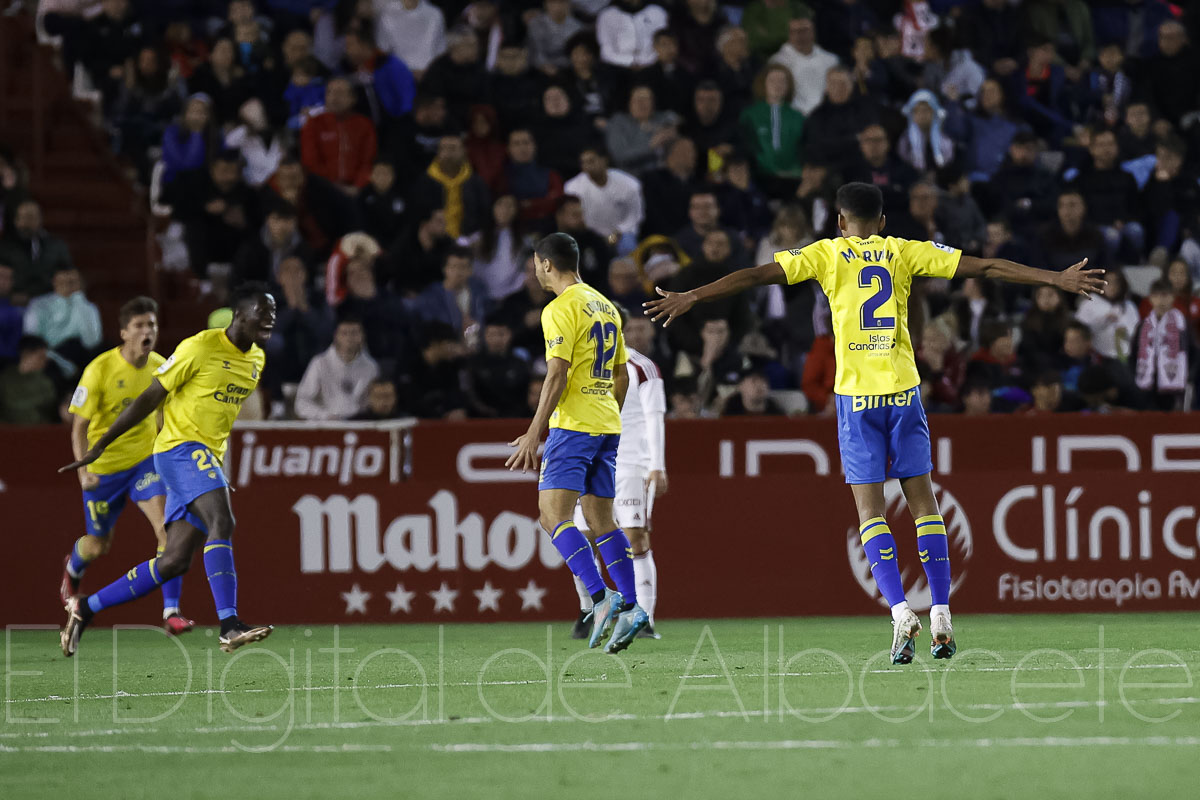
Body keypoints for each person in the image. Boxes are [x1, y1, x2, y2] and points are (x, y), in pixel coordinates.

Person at [645, 181, 1105, 663]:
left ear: (840, 222)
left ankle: (902, 611)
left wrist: (693, 295)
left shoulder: (825, 254)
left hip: (856, 399)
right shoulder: (904, 252)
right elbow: (986, 266)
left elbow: (757, 275)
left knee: (871, 512)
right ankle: (942, 611)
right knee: (924, 503)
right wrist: (1055, 278)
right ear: (883, 222)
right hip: (903, 393)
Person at [58, 283, 279, 657]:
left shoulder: (256, 359)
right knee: (222, 522)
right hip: (178, 450)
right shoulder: (200, 347)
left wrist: (213, 471)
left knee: (174, 560)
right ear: (240, 314)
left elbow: (218, 414)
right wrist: (103, 442)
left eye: (274, 312)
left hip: (204, 456)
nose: (270, 319)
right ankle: (229, 625)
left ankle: (85, 608)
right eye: (263, 311)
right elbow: (151, 397)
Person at [505, 233, 648, 653]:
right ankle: (634, 607)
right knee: (602, 520)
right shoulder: (605, 305)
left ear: (546, 264)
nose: (534, 271)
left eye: (535, 264)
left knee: (552, 517)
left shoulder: (559, 309)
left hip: (573, 426)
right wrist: (607, 414)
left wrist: (536, 432)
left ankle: (600, 599)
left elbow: (557, 374)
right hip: (606, 423)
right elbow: (622, 374)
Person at [58, 296, 194, 635]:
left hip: (144, 462)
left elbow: (164, 420)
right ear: (123, 332)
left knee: (166, 528)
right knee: (98, 545)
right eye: (139, 326)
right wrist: (82, 472)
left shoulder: (162, 367)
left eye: (152, 325)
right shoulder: (100, 369)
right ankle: (72, 569)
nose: (147, 331)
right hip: (104, 469)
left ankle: (172, 611)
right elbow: (79, 427)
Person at [568, 307, 667, 640]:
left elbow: (655, 416)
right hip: (592, 461)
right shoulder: (584, 366)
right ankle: (589, 609)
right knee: (583, 538)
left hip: (631, 463)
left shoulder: (642, 367)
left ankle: (645, 617)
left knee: (635, 537)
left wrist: (658, 464)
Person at [294, 317, 380, 420]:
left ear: (362, 336)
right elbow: (301, 403)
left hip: (359, 424)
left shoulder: (371, 366)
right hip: (325, 425)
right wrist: (325, 415)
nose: (349, 338)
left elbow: (373, 402)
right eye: (344, 333)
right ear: (336, 336)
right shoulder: (319, 363)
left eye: (354, 333)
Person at [1133, 279, 1190, 411]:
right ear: (1150, 299)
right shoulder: (1143, 325)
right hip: (1147, 382)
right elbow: (1134, 353)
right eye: (1156, 296)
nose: (1161, 300)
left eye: (1165, 295)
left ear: (1172, 297)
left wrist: (1189, 375)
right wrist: (1134, 376)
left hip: (1175, 382)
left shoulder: (1182, 323)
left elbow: (1192, 351)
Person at [0, 334, 56, 424]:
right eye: (40, 357)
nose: (44, 362)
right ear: (26, 354)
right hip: (9, 432)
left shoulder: (45, 381)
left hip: (39, 432)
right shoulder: (4, 379)